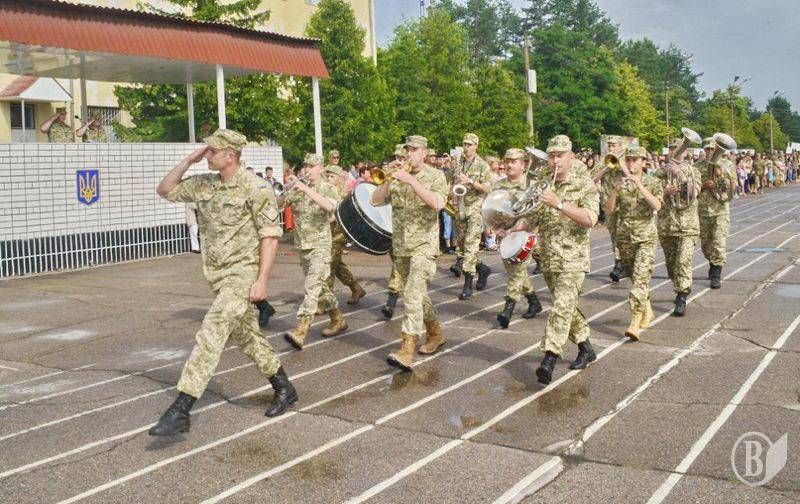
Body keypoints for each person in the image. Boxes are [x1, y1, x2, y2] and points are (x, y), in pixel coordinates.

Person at [150, 129, 296, 436]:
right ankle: (284, 387)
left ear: (230, 155)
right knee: (247, 337)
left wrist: (262, 281)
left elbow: (270, 237)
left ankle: (181, 407)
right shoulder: (204, 184)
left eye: (212, 152)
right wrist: (188, 161)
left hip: (242, 274)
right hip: (216, 275)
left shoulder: (255, 187)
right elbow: (165, 189)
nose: (207, 155)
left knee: (212, 330)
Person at [502, 135, 599, 384]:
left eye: (560, 156)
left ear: (571, 157)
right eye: (552, 156)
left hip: (573, 258)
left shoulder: (584, 182)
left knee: (560, 308)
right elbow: (532, 217)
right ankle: (586, 347)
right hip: (549, 256)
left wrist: (559, 204)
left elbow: (590, 218)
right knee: (566, 307)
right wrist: (512, 228)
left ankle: (549, 358)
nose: (555, 161)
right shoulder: (544, 181)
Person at [371, 135, 448, 371]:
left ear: (424, 152)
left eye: (414, 150)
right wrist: (389, 179)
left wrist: (411, 181)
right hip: (401, 246)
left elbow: (437, 203)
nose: (409, 154)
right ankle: (435, 333)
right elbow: (375, 201)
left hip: (424, 246)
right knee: (416, 294)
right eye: (407, 149)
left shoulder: (435, 176)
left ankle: (407, 347)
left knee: (413, 293)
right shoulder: (397, 176)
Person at [279, 154, 346, 350]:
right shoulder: (298, 188)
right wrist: (285, 190)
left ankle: (301, 330)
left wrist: (305, 189)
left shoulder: (327, 187)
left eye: (311, 166)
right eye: (305, 166)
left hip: (320, 246)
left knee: (311, 287)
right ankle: (338, 319)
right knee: (321, 287)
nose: (307, 170)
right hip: (303, 246)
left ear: (320, 168)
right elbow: (278, 204)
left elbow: (330, 206)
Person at [603, 146, 663, 340]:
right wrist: (614, 192)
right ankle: (647, 308)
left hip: (646, 238)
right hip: (625, 238)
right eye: (628, 160)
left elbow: (657, 205)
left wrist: (639, 185)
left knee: (640, 279)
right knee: (634, 277)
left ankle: (635, 320)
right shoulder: (619, 181)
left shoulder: (653, 182)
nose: (630, 163)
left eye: (635, 160)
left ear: (643, 162)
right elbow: (609, 211)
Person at [491, 148, 543, 328]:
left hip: (525, 236)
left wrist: (515, 228)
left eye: (513, 161)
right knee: (515, 271)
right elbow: (491, 209)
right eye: (507, 161)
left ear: (523, 165)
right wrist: (495, 228)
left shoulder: (532, 185)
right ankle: (534, 302)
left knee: (517, 270)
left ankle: (508, 309)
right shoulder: (498, 185)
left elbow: (534, 214)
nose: (509, 165)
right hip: (505, 236)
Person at [656, 138, 701, 316]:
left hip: (687, 226)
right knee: (671, 266)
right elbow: (651, 196)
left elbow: (694, 193)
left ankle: (682, 295)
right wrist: (664, 192)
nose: (675, 152)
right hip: (667, 226)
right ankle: (682, 285)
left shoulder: (693, 171)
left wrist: (681, 175)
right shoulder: (660, 173)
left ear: (685, 152)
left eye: (679, 149)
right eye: (672, 149)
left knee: (683, 262)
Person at [450, 133, 492, 300]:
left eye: (469, 144)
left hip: (475, 210)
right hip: (460, 210)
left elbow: (487, 188)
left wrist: (471, 181)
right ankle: (483, 269)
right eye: (464, 144)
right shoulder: (457, 163)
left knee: (470, 247)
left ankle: (467, 285)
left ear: (476, 146)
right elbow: (448, 180)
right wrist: (451, 192)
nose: (466, 147)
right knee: (463, 249)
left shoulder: (482, 165)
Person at [697, 137, 737, 289]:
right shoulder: (697, 166)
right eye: (707, 149)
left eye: (712, 149)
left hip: (720, 210)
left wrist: (722, 178)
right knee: (706, 245)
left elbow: (733, 186)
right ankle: (712, 262)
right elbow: (691, 190)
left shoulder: (727, 164)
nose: (709, 151)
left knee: (719, 243)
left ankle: (716, 274)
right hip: (702, 211)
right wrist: (704, 186)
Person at [325, 164, 366, 305]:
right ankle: (356, 288)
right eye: (327, 176)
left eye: (332, 176)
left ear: (340, 178)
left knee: (329, 264)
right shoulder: (326, 190)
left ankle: (325, 301)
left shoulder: (345, 193)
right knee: (337, 264)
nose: (329, 179)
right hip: (328, 233)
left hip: (340, 233)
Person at [592, 135, 627, 283]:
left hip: (626, 204)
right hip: (609, 205)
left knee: (625, 235)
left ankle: (623, 263)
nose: (611, 148)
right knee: (614, 235)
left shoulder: (628, 159)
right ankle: (619, 263)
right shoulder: (603, 161)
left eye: (614, 145)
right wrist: (606, 167)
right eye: (609, 145)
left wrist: (620, 162)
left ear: (620, 146)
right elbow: (592, 179)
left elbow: (633, 176)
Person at [382, 144, 409, 319]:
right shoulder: (391, 177)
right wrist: (388, 176)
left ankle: (393, 302)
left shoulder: (417, 176)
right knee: (399, 266)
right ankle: (392, 301)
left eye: (402, 158)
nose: (399, 161)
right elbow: (377, 199)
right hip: (395, 229)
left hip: (414, 233)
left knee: (405, 269)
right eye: (397, 158)